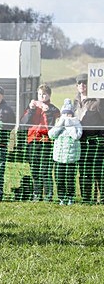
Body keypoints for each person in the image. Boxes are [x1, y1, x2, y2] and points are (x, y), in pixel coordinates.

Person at [20, 84, 61, 202]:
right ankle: (37, 193)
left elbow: (52, 125)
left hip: (46, 142)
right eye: (39, 94)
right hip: (32, 141)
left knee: (45, 170)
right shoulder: (33, 108)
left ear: (49, 95)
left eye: (44, 94)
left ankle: (48, 195)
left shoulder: (53, 109)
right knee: (35, 169)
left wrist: (47, 111)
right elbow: (24, 122)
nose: (41, 97)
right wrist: (31, 110)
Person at [73, 74, 104, 204]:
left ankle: (101, 198)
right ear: (76, 86)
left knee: (98, 171)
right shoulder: (75, 101)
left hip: (96, 140)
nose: (82, 85)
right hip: (81, 141)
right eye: (79, 83)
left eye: (85, 83)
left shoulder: (98, 100)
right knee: (84, 170)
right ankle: (86, 198)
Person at [48, 99, 83, 205]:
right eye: (64, 113)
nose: (66, 116)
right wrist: (60, 125)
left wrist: (69, 126)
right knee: (59, 178)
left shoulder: (77, 123)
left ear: (72, 114)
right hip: (59, 158)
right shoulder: (59, 123)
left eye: (68, 113)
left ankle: (70, 197)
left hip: (71, 158)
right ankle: (62, 197)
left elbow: (77, 136)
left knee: (70, 178)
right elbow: (51, 135)